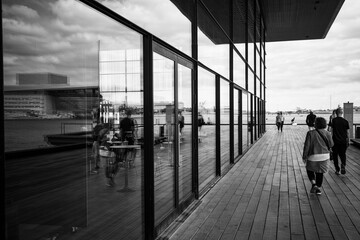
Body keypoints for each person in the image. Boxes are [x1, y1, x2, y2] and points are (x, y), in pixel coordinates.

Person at [303, 117, 334, 195]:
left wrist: (304, 156)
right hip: (324, 156)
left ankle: (314, 184)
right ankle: (318, 188)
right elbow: (331, 144)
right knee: (319, 172)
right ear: (324, 124)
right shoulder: (328, 133)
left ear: (315, 124)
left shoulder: (310, 133)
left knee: (309, 169)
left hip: (312, 156)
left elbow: (307, 146)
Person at [331, 107, 350, 175]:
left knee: (335, 156)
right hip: (343, 142)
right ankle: (343, 164)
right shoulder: (345, 121)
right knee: (343, 155)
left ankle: (337, 170)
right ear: (342, 113)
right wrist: (348, 140)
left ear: (336, 113)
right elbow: (347, 132)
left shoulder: (333, 121)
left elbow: (331, 131)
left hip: (335, 142)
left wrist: (330, 141)